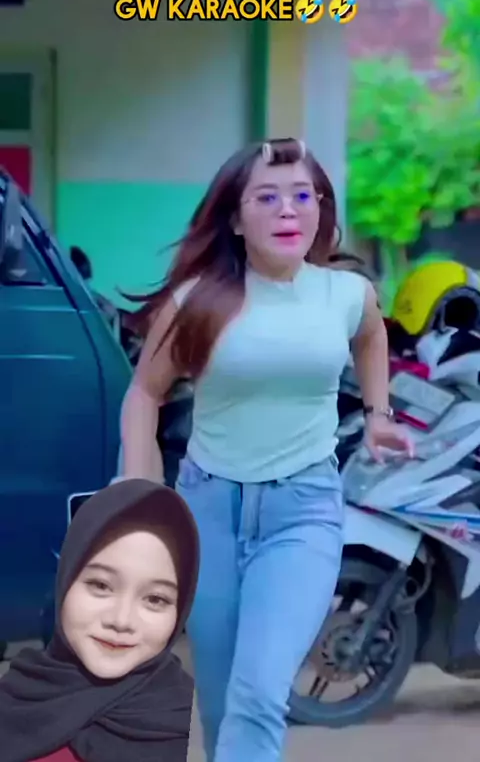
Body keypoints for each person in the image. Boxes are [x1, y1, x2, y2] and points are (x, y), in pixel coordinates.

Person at [119, 138, 414, 762]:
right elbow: (144, 393)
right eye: (267, 197)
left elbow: (371, 339)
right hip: (207, 512)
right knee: (222, 702)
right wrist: (140, 487)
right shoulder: (197, 302)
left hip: (302, 514)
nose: (288, 210)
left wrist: (378, 414)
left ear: (320, 208)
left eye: (303, 195)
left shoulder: (346, 294)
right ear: (235, 218)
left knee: (258, 694)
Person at [0, 479, 199, 762]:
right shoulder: (16, 697)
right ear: (66, 579)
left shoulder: (197, 730)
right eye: (101, 585)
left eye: (155, 599)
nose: (121, 620)